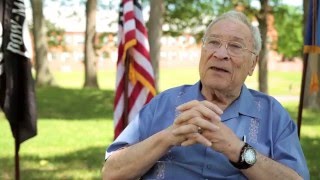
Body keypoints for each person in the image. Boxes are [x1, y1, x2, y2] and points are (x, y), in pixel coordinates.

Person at [102, 10, 309, 180]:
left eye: (235, 46)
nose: (220, 53)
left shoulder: (273, 115)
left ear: (252, 64)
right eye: (213, 42)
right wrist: (169, 136)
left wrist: (237, 149)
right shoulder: (163, 103)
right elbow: (111, 172)